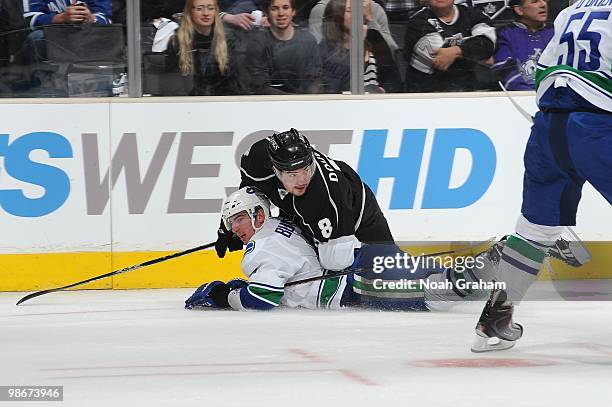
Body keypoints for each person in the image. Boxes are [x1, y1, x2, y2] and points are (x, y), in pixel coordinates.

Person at [471, 0, 612, 353]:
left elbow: (542, 69)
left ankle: (495, 319)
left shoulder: (572, 9)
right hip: (598, 126)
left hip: (549, 127)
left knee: (535, 229)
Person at [187, 187, 504, 310]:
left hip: (356, 284)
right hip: (362, 260)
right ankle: (494, 261)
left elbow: (262, 298)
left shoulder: (262, 247)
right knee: (427, 276)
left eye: (239, 219)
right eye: (230, 223)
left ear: (258, 214)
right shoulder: (279, 221)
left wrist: (222, 295)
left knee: (431, 297)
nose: (235, 229)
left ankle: (491, 270)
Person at [215, 128, 394, 272]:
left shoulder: (324, 195)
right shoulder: (255, 160)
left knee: (385, 262)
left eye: (306, 170)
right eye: (292, 174)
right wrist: (229, 226)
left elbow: (337, 263)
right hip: (298, 209)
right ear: (274, 169)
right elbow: (250, 194)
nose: (302, 181)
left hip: (358, 210)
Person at [402, 0, 496, 92]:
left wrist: (456, 51)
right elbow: (441, 59)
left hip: (468, 89)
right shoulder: (417, 21)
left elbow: (488, 44)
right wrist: (478, 53)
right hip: (426, 92)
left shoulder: (473, 14)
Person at [319, 0, 402, 93]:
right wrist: (359, 50)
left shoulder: (374, 37)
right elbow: (337, 86)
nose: (357, 15)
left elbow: (393, 80)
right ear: (336, 16)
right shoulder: (326, 47)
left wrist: (382, 91)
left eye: (359, 10)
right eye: (350, 11)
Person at [166, 0, 246, 95]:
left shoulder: (228, 40)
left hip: (222, 102)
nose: (206, 13)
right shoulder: (176, 42)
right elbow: (174, 85)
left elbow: (235, 84)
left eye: (211, 8)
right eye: (199, 9)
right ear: (190, 12)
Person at [245, 0, 322, 94]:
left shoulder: (308, 40)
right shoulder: (257, 42)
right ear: (266, 13)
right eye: (274, 9)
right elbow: (259, 86)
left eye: (285, 7)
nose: (281, 13)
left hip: (303, 103)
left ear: (293, 11)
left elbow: (314, 80)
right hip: (270, 104)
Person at [492, 0, 553, 90]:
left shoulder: (556, 31)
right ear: (519, 10)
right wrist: (529, 92)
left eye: (544, 0)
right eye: (535, 1)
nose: (543, 4)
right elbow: (504, 69)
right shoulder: (505, 33)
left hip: (556, 95)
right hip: (521, 96)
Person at [309, 0, 398, 53]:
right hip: (335, 70)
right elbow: (315, 52)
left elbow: (391, 50)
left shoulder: (375, 9)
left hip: (373, 71)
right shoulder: (322, 9)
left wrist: (370, 19)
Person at [23, 0, 111, 27]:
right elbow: (29, 19)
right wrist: (61, 18)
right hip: (52, 39)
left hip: (87, 36)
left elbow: (108, 19)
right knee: (37, 37)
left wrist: (91, 18)